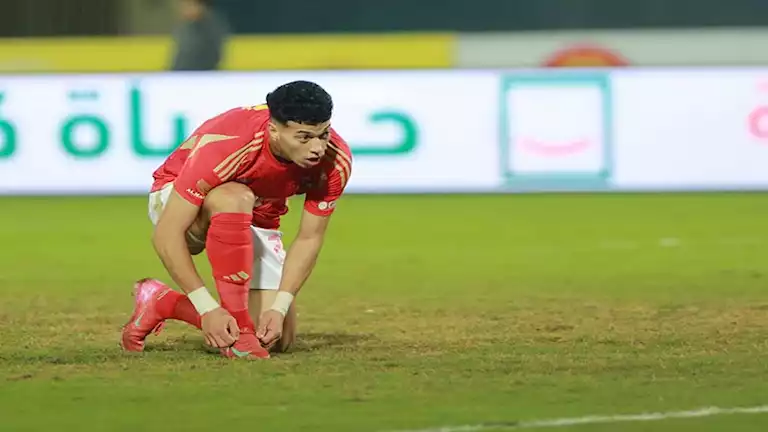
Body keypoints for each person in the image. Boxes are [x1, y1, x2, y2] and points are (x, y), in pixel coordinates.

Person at [121, 80, 353, 359]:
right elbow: (166, 234)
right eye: (304, 137)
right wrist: (206, 307)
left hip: (257, 212)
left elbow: (309, 238)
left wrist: (279, 307)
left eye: (323, 134)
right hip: (178, 198)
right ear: (274, 130)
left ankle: (162, 302)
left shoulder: (335, 160)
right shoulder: (230, 144)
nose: (317, 147)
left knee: (274, 339)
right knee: (234, 197)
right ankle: (240, 329)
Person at [170, 0, 229, 71]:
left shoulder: (212, 26)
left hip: (201, 72)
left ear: (201, 6)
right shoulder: (185, 27)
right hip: (182, 72)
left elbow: (213, 56)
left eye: (190, 5)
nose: (185, 9)